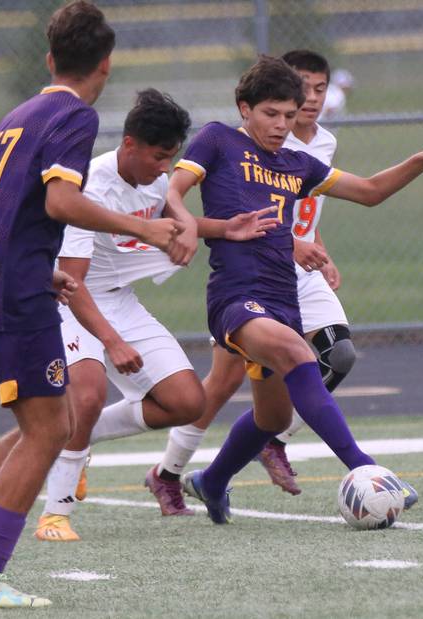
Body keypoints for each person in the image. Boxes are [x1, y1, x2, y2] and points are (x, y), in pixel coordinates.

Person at [0, 2, 182, 608]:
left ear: (50, 57)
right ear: (105, 65)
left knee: (46, 423)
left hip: (6, 282)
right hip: (17, 294)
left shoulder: (16, 117)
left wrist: (37, 263)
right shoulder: (75, 116)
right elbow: (60, 202)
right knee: (49, 430)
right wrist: (147, 227)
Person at [168, 55, 423, 524]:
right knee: (298, 354)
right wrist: (213, 227)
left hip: (283, 298)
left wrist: (422, 160)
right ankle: (367, 469)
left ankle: (212, 481)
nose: (281, 125)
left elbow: (369, 191)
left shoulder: (298, 163)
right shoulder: (218, 140)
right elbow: (172, 195)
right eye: (270, 113)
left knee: (272, 419)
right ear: (244, 108)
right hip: (236, 296)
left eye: (289, 115)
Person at [33, 88, 281, 536]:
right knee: (86, 396)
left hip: (118, 299)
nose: (166, 168)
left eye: (172, 157)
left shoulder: (154, 180)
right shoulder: (90, 188)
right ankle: (55, 513)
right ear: (129, 144)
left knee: (188, 402)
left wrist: (225, 228)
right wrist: (112, 341)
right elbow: (71, 282)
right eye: (159, 157)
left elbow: (171, 223)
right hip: (71, 301)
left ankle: (80, 435)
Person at [147, 50, 367, 513]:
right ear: (249, 107)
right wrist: (197, 226)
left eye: (317, 90)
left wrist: (313, 245)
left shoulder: (315, 149)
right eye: (299, 89)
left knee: (306, 382)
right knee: (229, 378)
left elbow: (304, 211)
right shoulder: (225, 140)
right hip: (244, 281)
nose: (309, 100)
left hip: (291, 277)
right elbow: (195, 200)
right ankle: (168, 472)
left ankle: (237, 464)